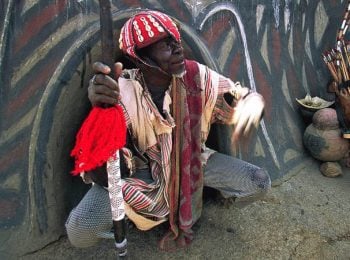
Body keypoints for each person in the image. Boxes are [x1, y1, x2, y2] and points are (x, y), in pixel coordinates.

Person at [66, 10, 271, 254]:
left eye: (175, 40)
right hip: (144, 174)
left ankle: (195, 201)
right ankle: (139, 217)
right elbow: (107, 168)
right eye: (165, 45)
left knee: (259, 182)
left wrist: (254, 103)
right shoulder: (122, 90)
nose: (177, 48)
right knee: (79, 231)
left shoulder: (197, 76)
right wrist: (100, 108)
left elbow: (241, 95)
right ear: (142, 58)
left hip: (193, 162)